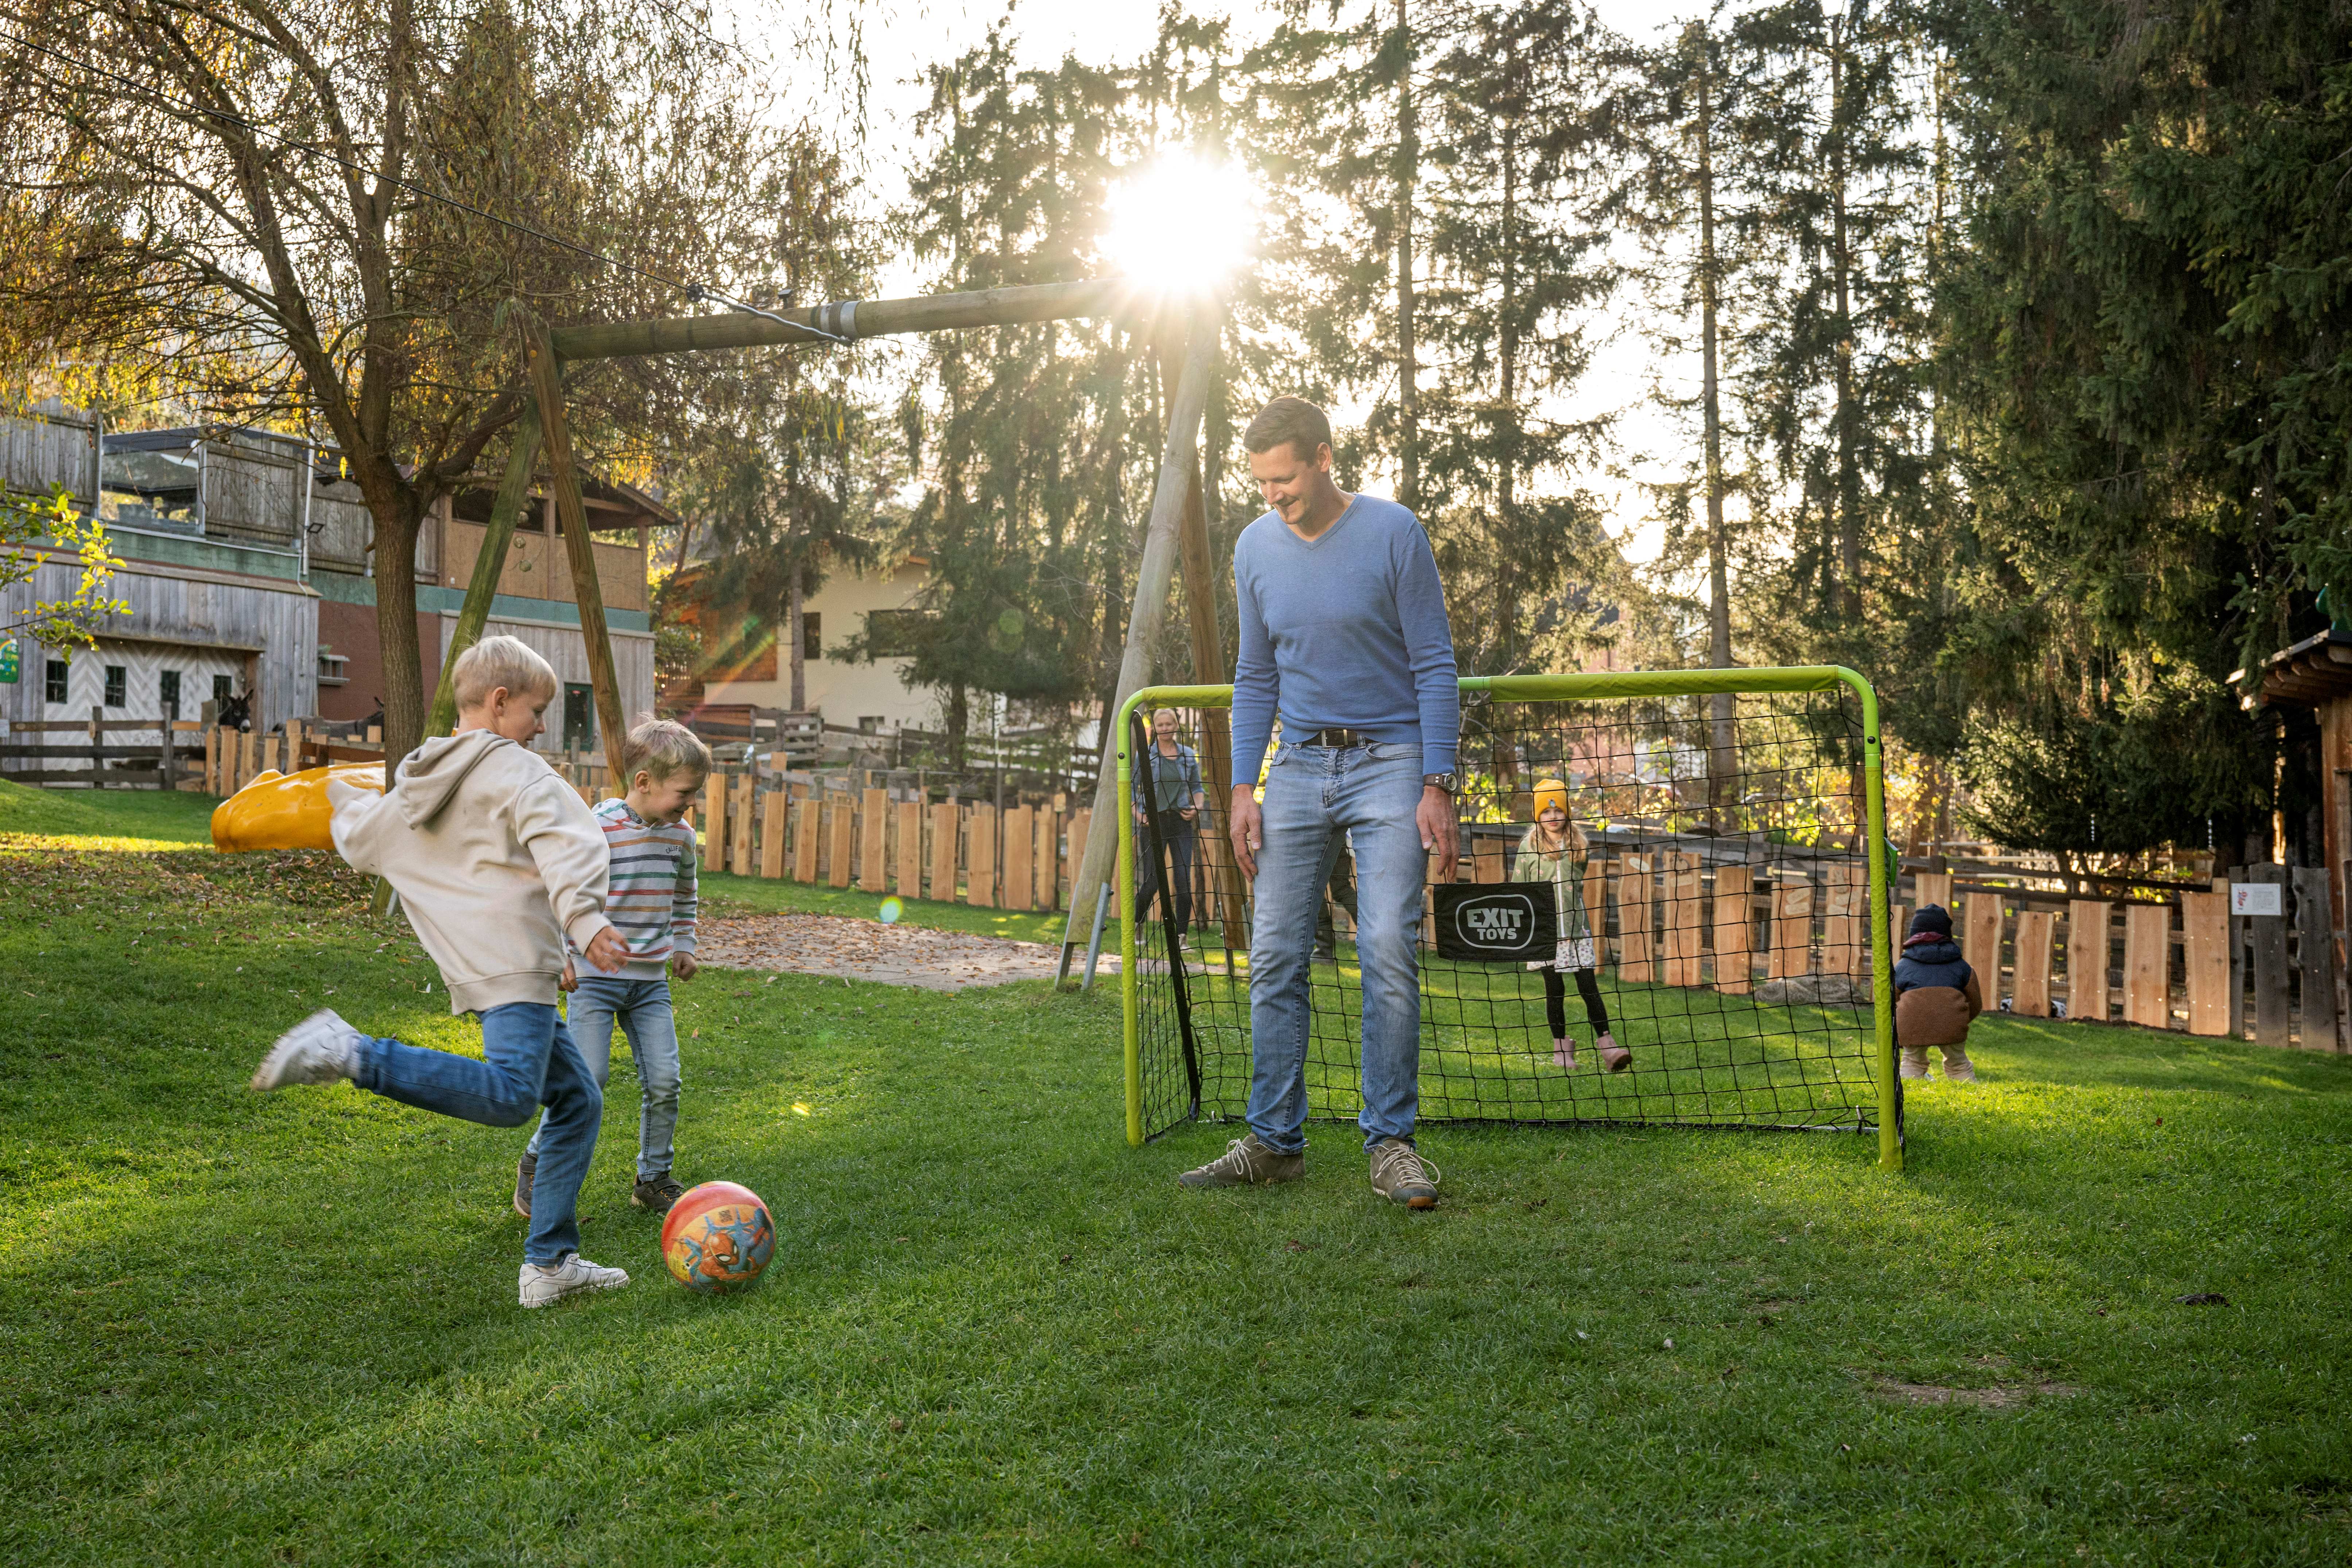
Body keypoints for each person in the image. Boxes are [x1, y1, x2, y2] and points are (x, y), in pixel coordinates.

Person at [247, 635, 633, 1308]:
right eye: (535, 710)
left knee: (577, 1099)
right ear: (499, 701)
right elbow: (568, 844)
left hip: (493, 965)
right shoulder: (519, 772)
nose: (540, 726)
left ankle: (550, 1261)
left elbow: (365, 838)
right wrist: (586, 921)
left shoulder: (417, 780)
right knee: (515, 1095)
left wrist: (326, 795)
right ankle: (352, 1052)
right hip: (511, 964)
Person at [1178, 395, 1460, 1209]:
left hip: (1392, 760)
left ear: (1324, 458)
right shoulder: (1253, 548)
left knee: (1383, 947)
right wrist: (1241, 788)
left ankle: (1391, 1144)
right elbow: (1255, 674)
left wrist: (1435, 780)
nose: (1273, 495)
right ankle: (1273, 1142)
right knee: (1272, 954)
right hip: (1296, 765)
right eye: (1261, 481)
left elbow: (1434, 663)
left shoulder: (1394, 533)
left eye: (1286, 478)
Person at [514, 716, 709, 1222]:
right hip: (594, 980)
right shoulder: (594, 827)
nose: (689, 804)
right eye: (684, 793)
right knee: (588, 1079)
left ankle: (653, 1177)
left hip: (650, 985)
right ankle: (538, 1162)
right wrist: (561, 951)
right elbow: (560, 891)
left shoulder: (681, 837)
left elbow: (685, 894)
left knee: (665, 1080)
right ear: (643, 782)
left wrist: (684, 943)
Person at [1513, 778, 1629, 1072]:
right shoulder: (1528, 847)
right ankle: (1561, 1048)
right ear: (1537, 816)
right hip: (1546, 932)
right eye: (1545, 813)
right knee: (1555, 990)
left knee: (1589, 988)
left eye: (1558, 811)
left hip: (1576, 931)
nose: (1552, 818)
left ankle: (1608, 1046)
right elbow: (1519, 890)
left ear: (1567, 813)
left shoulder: (1578, 845)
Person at [1134, 707, 1205, 940]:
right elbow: (1128, 790)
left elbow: (1197, 788)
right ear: (1154, 728)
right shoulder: (1146, 756)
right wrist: (1140, 815)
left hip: (1180, 822)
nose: (1165, 729)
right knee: (1153, 880)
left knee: (1183, 880)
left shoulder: (1187, 754)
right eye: (1160, 725)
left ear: (1176, 726)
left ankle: (1181, 936)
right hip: (1153, 823)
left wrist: (1197, 807)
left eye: (1169, 724)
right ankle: (1138, 925)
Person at [1892, 903, 1982, 1082]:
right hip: (1952, 1022)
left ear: (1914, 934)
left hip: (1912, 1023)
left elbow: (1891, 999)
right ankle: (1969, 1094)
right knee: (1958, 1063)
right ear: (1948, 935)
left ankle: (1910, 1092)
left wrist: (1901, 1021)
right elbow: (1976, 1003)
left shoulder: (1903, 966)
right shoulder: (1962, 966)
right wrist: (1959, 1018)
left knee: (1913, 1060)